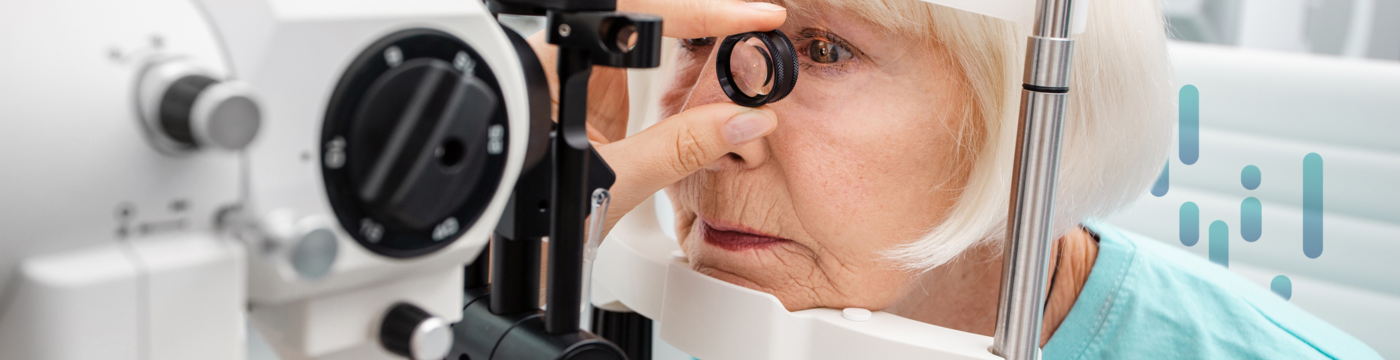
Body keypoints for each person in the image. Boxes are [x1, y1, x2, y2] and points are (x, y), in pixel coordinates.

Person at [526, 0, 1382, 358]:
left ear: (1021, 111)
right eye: (696, 43)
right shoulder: (612, 303)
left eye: (819, 51)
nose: (705, 133)